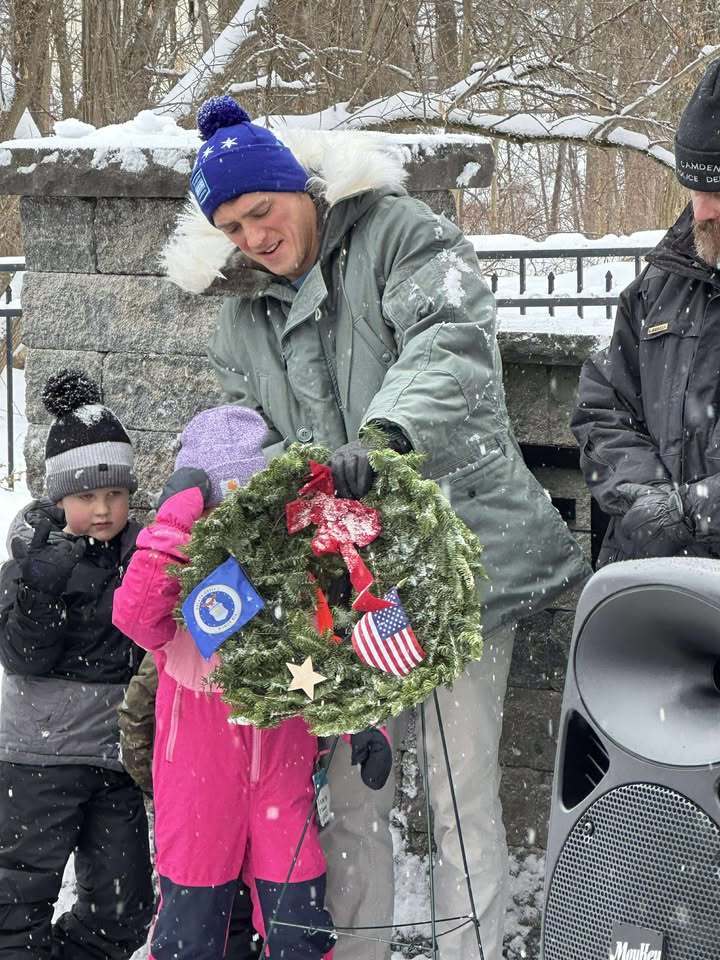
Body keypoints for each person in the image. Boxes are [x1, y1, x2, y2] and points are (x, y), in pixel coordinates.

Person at [162, 97, 589, 960]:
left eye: (263, 211)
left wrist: (386, 434)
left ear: (300, 187)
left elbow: (449, 341)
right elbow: (248, 438)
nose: (254, 237)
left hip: (456, 564)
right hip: (342, 595)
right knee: (354, 800)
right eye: (232, 227)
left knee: (461, 794)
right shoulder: (239, 319)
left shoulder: (401, 233)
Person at [112, 404, 392, 960]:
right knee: (191, 936)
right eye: (218, 511)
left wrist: (366, 724)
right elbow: (136, 617)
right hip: (198, 785)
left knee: (299, 930)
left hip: (281, 782)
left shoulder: (289, 577)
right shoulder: (177, 578)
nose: (233, 528)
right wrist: (173, 524)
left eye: (245, 511)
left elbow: (331, 651)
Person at [0, 369, 153, 959]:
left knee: (123, 912)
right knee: (16, 909)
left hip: (114, 761)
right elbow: (23, 655)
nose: (103, 509)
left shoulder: (144, 555)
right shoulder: (32, 559)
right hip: (39, 759)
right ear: (60, 498)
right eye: (86, 496)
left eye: (114, 493)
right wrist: (41, 586)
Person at [572, 59, 720, 567]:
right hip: (654, 573)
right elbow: (603, 402)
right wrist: (645, 494)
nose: (703, 211)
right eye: (696, 189)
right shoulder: (662, 282)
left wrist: (694, 512)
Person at [118, 640, 259, 960]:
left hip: (198, 815)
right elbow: (136, 719)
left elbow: (135, 720)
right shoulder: (189, 638)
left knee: (194, 926)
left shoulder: (191, 637)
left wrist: (166, 789)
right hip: (214, 815)